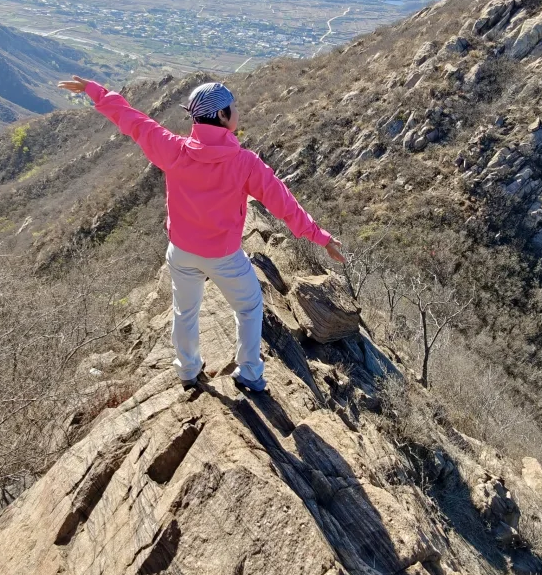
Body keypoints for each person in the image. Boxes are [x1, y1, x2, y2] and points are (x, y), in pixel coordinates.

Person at [59, 75, 344, 392]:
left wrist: (94, 90)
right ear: (222, 116)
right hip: (224, 256)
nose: (237, 112)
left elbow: (132, 120)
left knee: (185, 311)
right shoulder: (244, 163)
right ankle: (250, 372)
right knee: (249, 307)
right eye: (233, 108)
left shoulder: (174, 150)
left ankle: (187, 370)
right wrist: (321, 237)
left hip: (181, 251)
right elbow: (284, 205)